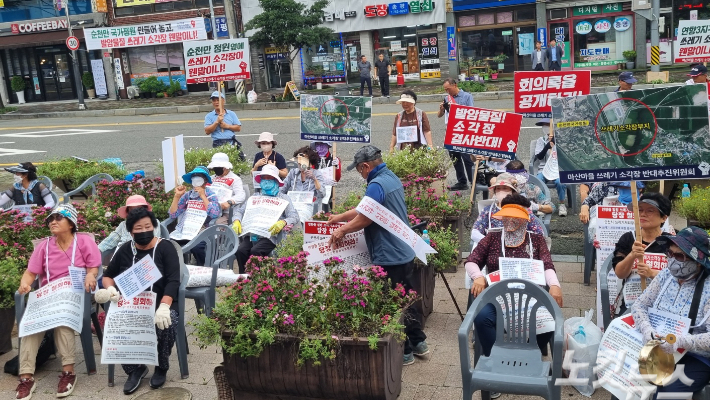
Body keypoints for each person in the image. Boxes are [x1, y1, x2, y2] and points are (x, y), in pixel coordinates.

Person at [327, 145, 429, 366]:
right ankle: (419, 342)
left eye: (359, 170)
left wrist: (342, 230)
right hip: (403, 250)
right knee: (406, 299)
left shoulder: (376, 184)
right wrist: (341, 216)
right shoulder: (389, 177)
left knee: (393, 304)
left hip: (389, 253)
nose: (360, 174)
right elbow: (366, 209)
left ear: (366, 166)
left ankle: (406, 352)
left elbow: (366, 218)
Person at [466, 195, 563, 399]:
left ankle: (529, 356)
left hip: (530, 300)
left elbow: (547, 264)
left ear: (526, 218)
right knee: (482, 318)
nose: (510, 221)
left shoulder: (536, 240)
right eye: (506, 216)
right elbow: (472, 261)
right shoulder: (491, 237)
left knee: (549, 322)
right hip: (497, 297)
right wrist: (478, 277)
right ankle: (496, 360)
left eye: (516, 217)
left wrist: (554, 285)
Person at [15, 204, 100, 400]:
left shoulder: (84, 242)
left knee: (63, 318)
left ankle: (68, 372)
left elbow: (93, 267)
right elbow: (30, 273)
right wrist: (25, 284)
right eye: (50, 219)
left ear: (71, 223)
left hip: (74, 294)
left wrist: (90, 275)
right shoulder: (44, 246)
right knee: (31, 323)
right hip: (49, 295)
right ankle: (26, 377)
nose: (52, 222)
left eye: (58, 218)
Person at [96, 207, 181, 394]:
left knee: (168, 322)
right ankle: (135, 369)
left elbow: (174, 281)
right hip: (131, 305)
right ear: (130, 231)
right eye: (138, 228)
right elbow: (108, 275)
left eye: (147, 227)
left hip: (161, 303)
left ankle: (161, 367)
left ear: (154, 227)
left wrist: (164, 306)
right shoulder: (126, 249)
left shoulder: (166, 247)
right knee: (114, 324)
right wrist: (110, 289)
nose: (143, 232)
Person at [631, 226, 710, 398]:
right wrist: (646, 329)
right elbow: (639, 305)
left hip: (695, 356)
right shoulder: (665, 276)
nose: (672, 260)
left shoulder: (708, 287)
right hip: (657, 346)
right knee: (626, 378)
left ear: (698, 261)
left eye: (680, 256)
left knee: (668, 392)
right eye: (670, 253)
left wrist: (679, 341)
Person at [611, 193, 672, 316]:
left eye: (650, 211)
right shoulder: (628, 238)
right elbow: (620, 274)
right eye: (640, 210)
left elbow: (680, 279)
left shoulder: (672, 242)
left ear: (664, 218)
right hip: (632, 303)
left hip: (664, 305)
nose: (643, 214)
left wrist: (652, 274)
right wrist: (632, 255)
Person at [232, 164, 299, 273]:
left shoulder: (284, 198)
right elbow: (240, 211)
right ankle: (244, 278)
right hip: (252, 233)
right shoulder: (255, 197)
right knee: (241, 250)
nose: (266, 181)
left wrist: (283, 222)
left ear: (276, 181)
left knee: (255, 251)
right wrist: (236, 221)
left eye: (270, 178)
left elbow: (294, 216)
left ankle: (257, 280)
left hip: (271, 235)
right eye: (264, 178)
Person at [471, 173, 546, 243]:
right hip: (492, 252)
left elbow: (539, 233)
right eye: (498, 188)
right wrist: (489, 243)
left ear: (513, 191)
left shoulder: (523, 210)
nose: (501, 191)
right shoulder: (488, 210)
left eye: (505, 188)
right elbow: (475, 232)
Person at [169, 166, 221, 265]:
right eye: (194, 178)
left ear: (205, 181)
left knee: (198, 248)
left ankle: (204, 269)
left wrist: (202, 196)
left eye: (199, 178)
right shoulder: (188, 195)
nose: (196, 181)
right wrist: (177, 196)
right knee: (169, 245)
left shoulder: (211, 195)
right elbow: (173, 214)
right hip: (186, 230)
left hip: (203, 231)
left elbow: (214, 214)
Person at [436, 78, 475, 191]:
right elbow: (439, 115)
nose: (447, 91)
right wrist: (441, 109)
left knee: (467, 157)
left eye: (448, 89)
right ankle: (462, 181)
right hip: (451, 131)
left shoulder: (467, 96)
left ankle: (473, 182)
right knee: (454, 157)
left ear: (455, 85)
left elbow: (472, 113)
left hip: (463, 131)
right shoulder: (447, 98)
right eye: (445, 90)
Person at [534, 118, 568, 216]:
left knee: (560, 182)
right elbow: (539, 156)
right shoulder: (541, 140)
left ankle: (561, 204)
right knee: (538, 182)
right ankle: (542, 205)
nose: (545, 127)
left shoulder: (561, 139)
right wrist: (546, 147)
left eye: (548, 125)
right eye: (543, 125)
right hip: (543, 169)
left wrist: (556, 145)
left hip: (557, 170)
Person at [207, 152, 246, 225]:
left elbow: (241, 195)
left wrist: (230, 202)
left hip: (226, 211)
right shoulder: (211, 178)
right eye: (215, 168)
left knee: (217, 223)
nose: (216, 170)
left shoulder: (235, 179)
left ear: (226, 167)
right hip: (210, 208)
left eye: (219, 168)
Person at [579, 181, 644, 224]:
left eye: (628, 188)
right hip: (605, 225)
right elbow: (588, 200)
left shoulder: (640, 196)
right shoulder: (604, 187)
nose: (624, 189)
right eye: (622, 187)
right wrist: (584, 209)